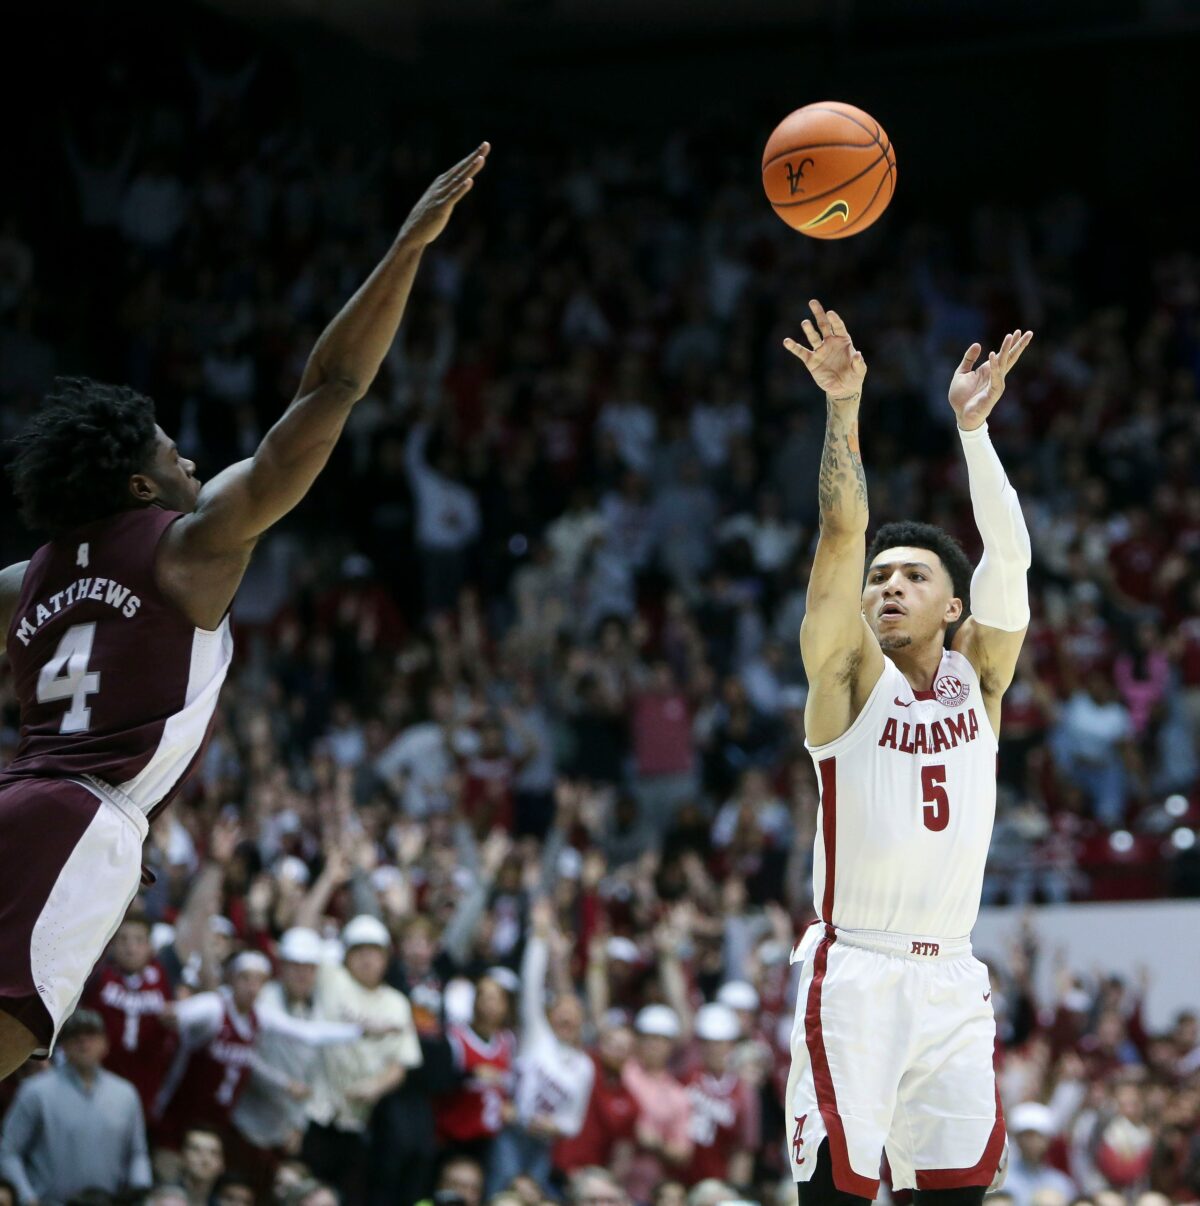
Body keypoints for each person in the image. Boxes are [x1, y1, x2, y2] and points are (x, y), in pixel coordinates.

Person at [0, 143, 489, 1079]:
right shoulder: (190, 549)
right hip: (86, 819)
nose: (193, 465)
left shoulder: (26, 579)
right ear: (142, 482)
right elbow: (331, 390)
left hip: (16, 795)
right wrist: (408, 248)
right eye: (177, 457)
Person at [781, 300, 1035, 1204]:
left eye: (913, 576)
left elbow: (1010, 560)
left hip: (954, 976)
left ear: (951, 609)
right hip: (857, 972)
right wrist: (843, 405)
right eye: (881, 580)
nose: (889, 586)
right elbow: (843, 535)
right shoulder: (848, 677)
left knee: (959, 1195)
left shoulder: (982, 684)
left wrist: (976, 433)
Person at [155, 950, 370, 1151]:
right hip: (178, 1114)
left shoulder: (260, 1016)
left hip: (218, 1122)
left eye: (259, 981)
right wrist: (177, 1013)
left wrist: (359, 1031)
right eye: (245, 978)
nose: (252, 987)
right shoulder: (215, 1007)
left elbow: (307, 1032)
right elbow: (185, 1013)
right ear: (231, 979)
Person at [304, 915, 424, 1202]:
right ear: (346, 955)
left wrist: (376, 1087)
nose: (367, 959)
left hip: (358, 1121)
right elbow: (303, 937)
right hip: (314, 1111)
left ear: (386, 959)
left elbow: (401, 1064)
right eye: (359, 951)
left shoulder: (396, 1003)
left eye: (374, 952)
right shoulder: (332, 978)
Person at [487, 899, 594, 1195]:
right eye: (562, 1011)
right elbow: (531, 986)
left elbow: (574, 1121)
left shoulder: (584, 1065)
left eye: (575, 1014)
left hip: (545, 1145)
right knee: (501, 1195)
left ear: (582, 1023)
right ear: (551, 1015)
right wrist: (539, 937)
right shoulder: (537, 1036)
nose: (567, 1017)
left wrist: (554, 1126)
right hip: (512, 1134)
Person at [0, 1008, 151, 1202]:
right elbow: (8, 1150)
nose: (83, 1042)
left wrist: (139, 1191)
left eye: (91, 1034)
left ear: (105, 1043)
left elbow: (138, 1152)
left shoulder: (125, 1094)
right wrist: (27, 1196)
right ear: (62, 1045)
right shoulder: (35, 1091)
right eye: (75, 1036)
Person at [82, 906, 176, 1118]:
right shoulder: (96, 974)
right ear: (112, 944)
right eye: (123, 939)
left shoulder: (164, 975)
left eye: (139, 940)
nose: (130, 948)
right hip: (97, 1084)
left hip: (147, 1090)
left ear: (151, 946)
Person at [682, 1003, 758, 1189]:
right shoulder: (685, 1078)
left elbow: (744, 1148)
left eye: (718, 1043)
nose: (713, 1049)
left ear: (731, 1045)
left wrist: (735, 1191)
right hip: (681, 1179)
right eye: (707, 1043)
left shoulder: (742, 1091)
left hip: (719, 1183)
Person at [1003, 1103, 1076, 1206]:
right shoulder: (1002, 1181)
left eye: (1039, 1136)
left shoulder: (1062, 1183)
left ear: (1049, 1140)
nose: (1033, 1142)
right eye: (1027, 1136)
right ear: (1017, 1139)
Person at [178, 1126, 225, 1206]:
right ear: (182, 1157)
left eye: (213, 1153)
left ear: (222, 1163)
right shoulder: (161, 1199)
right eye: (196, 1150)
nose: (205, 1160)